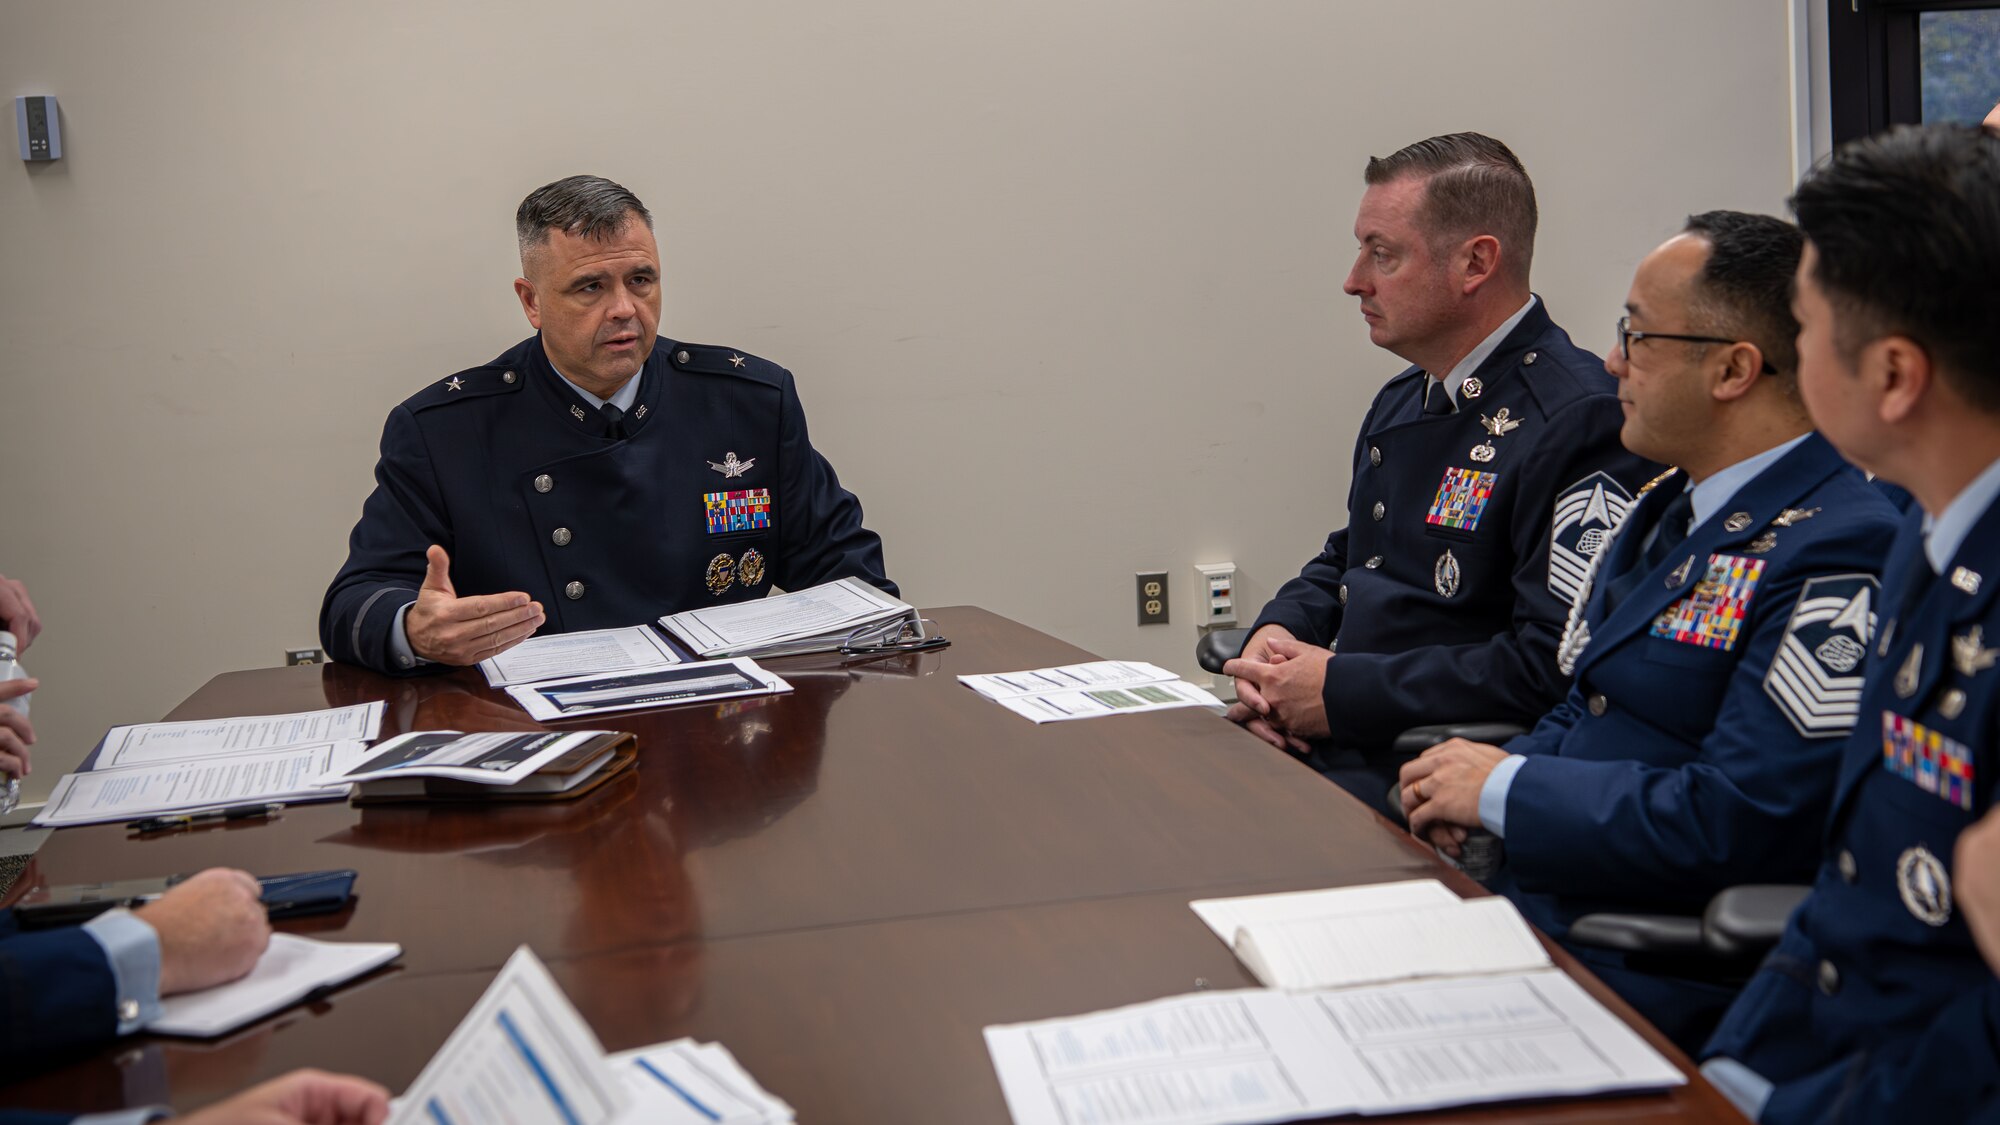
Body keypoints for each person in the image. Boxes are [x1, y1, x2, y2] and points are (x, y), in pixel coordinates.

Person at [1396, 212, 1898, 1050]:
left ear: (1735, 368)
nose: (1613, 362)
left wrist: (1504, 791)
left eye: (1637, 335)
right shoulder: (1670, 503)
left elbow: (1742, 817)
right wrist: (1488, 789)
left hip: (1646, 963)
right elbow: (1587, 699)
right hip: (1541, 908)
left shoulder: (1841, 545)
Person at [1698, 123, 2000, 1122]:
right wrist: (1733, 1079)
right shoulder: (1926, 530)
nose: (1790, 351)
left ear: (1892, 377)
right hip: (1816, 1058)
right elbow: (1847, 899)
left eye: (1805, 323)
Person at [1223, 132, 1658, 803]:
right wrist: (1279, 636)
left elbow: (1550, 662)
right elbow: (1352, 559)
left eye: (1382, 254)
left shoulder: (1577, 419)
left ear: (1475, 263)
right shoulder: (1408, 396)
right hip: (1336, 737)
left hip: (1420, 770)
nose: (1354, 280)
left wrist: (1338, 691)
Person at [321, 175, 895, 675]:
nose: (624, 308)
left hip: (716, 730)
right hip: (541, 733)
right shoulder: (446, 430)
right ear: (532, 302)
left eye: (641, 281)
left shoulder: (747, 402)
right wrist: (416, 632)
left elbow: (849, 575)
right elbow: (353, 602)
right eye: (591, 287)